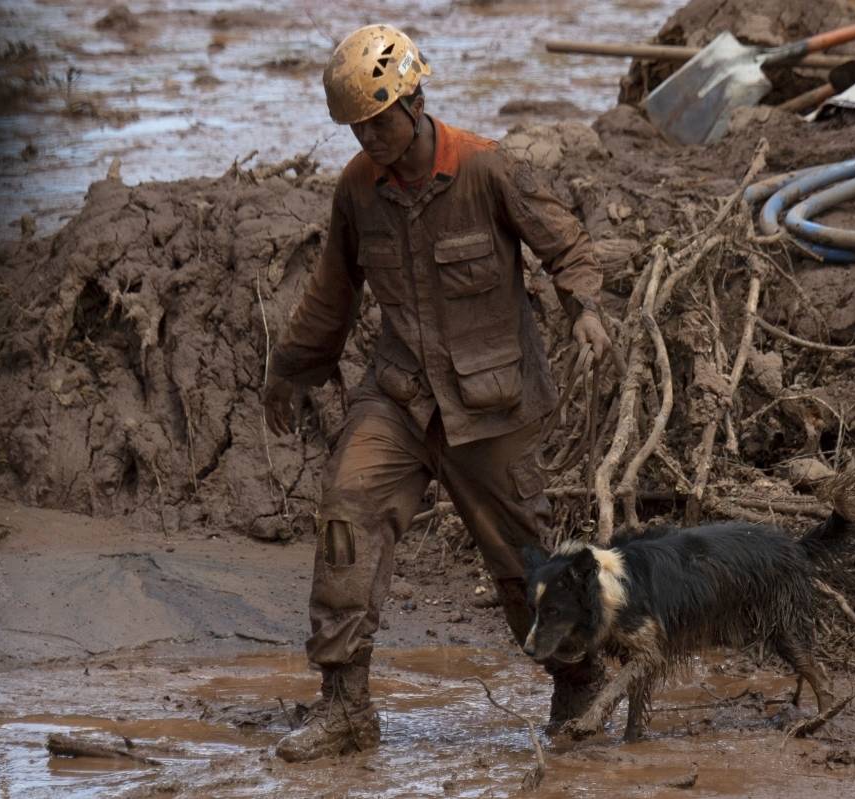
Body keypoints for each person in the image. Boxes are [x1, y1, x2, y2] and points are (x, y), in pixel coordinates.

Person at [262, 24, 611, 762]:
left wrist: (584, 309)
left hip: (494, 404)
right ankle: (345, 706)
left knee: (525, 568)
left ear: (415, 100)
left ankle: (580, 684)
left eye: (380, 120)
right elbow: (333, 293)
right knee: (346, 513)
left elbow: (566, 246)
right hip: (398, 394)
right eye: (357, 126)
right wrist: (292, 366)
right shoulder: (357, 189)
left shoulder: (488, 169)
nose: (371, 137)